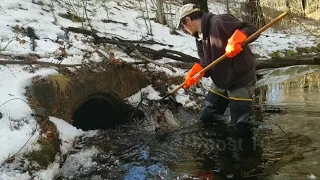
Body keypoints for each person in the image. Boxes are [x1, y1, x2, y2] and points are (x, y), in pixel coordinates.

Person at [175, 4, 260, 131]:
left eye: (183, 26)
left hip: (240, 80)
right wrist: (199, 70)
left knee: (240, 127)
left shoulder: (219, 21)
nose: (184, 29)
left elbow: (252, 28)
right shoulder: (199, 37)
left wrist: (238, 38)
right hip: (221, 81)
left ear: (188, 20)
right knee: (207, 118)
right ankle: (219, 147)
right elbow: (205, 61)